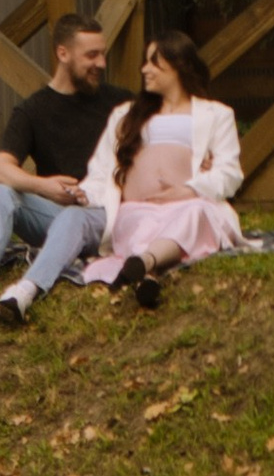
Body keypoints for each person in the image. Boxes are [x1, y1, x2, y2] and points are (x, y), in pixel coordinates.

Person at [0, 12, 117, 321]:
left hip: (107, 215)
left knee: (75, 218)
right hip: (57, 217)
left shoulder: (119, 103)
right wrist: (44, 186)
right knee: (1, 192)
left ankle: (27, 289)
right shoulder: (32, 110)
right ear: (63, 53)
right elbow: (0, 168)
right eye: (92, 55)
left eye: (102, 54)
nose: (101, 64)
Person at [78, 31, 244, 304]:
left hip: (188, 206)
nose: (145, 69)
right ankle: (147, 271)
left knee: (197, 214)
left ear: (178, 66)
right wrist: (84, 194)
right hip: (137, 208)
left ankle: (144, 263)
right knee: (139, 225)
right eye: (145, 62)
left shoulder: (216, 114)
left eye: (154, 63)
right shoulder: (126, 114)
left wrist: (188, 190)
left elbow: (230, 173)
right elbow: (101, 168)